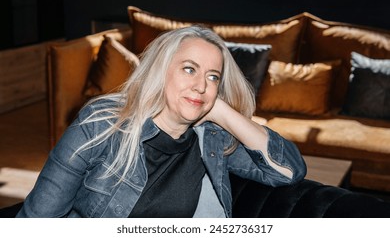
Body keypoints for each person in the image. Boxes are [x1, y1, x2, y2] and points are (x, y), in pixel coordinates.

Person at [17, 25, 306, 218]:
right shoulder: (102, 123)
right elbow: (37, 221)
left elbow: (287, 171)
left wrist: (220, 111)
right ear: (160, 70)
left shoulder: (212, 139)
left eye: (213, 76)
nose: (201, 85)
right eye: (189, 69)